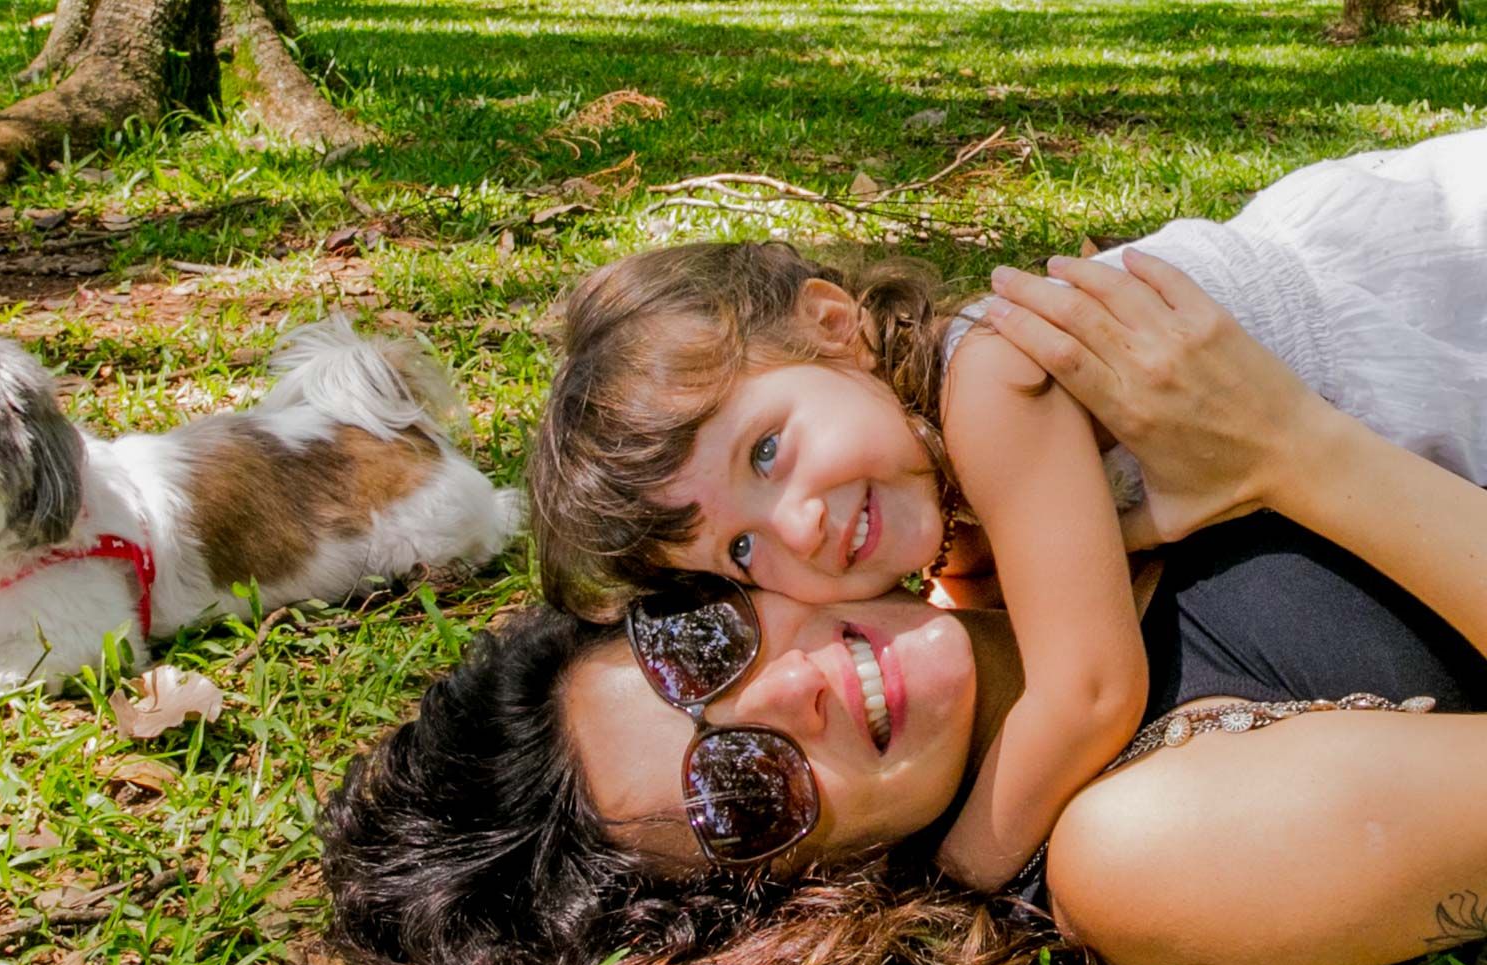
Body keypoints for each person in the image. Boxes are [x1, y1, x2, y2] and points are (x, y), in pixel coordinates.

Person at [322, 254, 1487, 965]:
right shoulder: (1140, 853)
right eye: (737, 789)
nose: (789, 690)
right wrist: (1298, 453)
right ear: (787, 900)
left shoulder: (988, 517)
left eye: (698, 646)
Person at [528, 129, 1487, 894]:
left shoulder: (989, 385)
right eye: (741, 546)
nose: (797, 526)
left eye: (767, 451)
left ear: (833, 325)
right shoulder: (961, 503)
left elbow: (1090, 695)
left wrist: (970, 865)